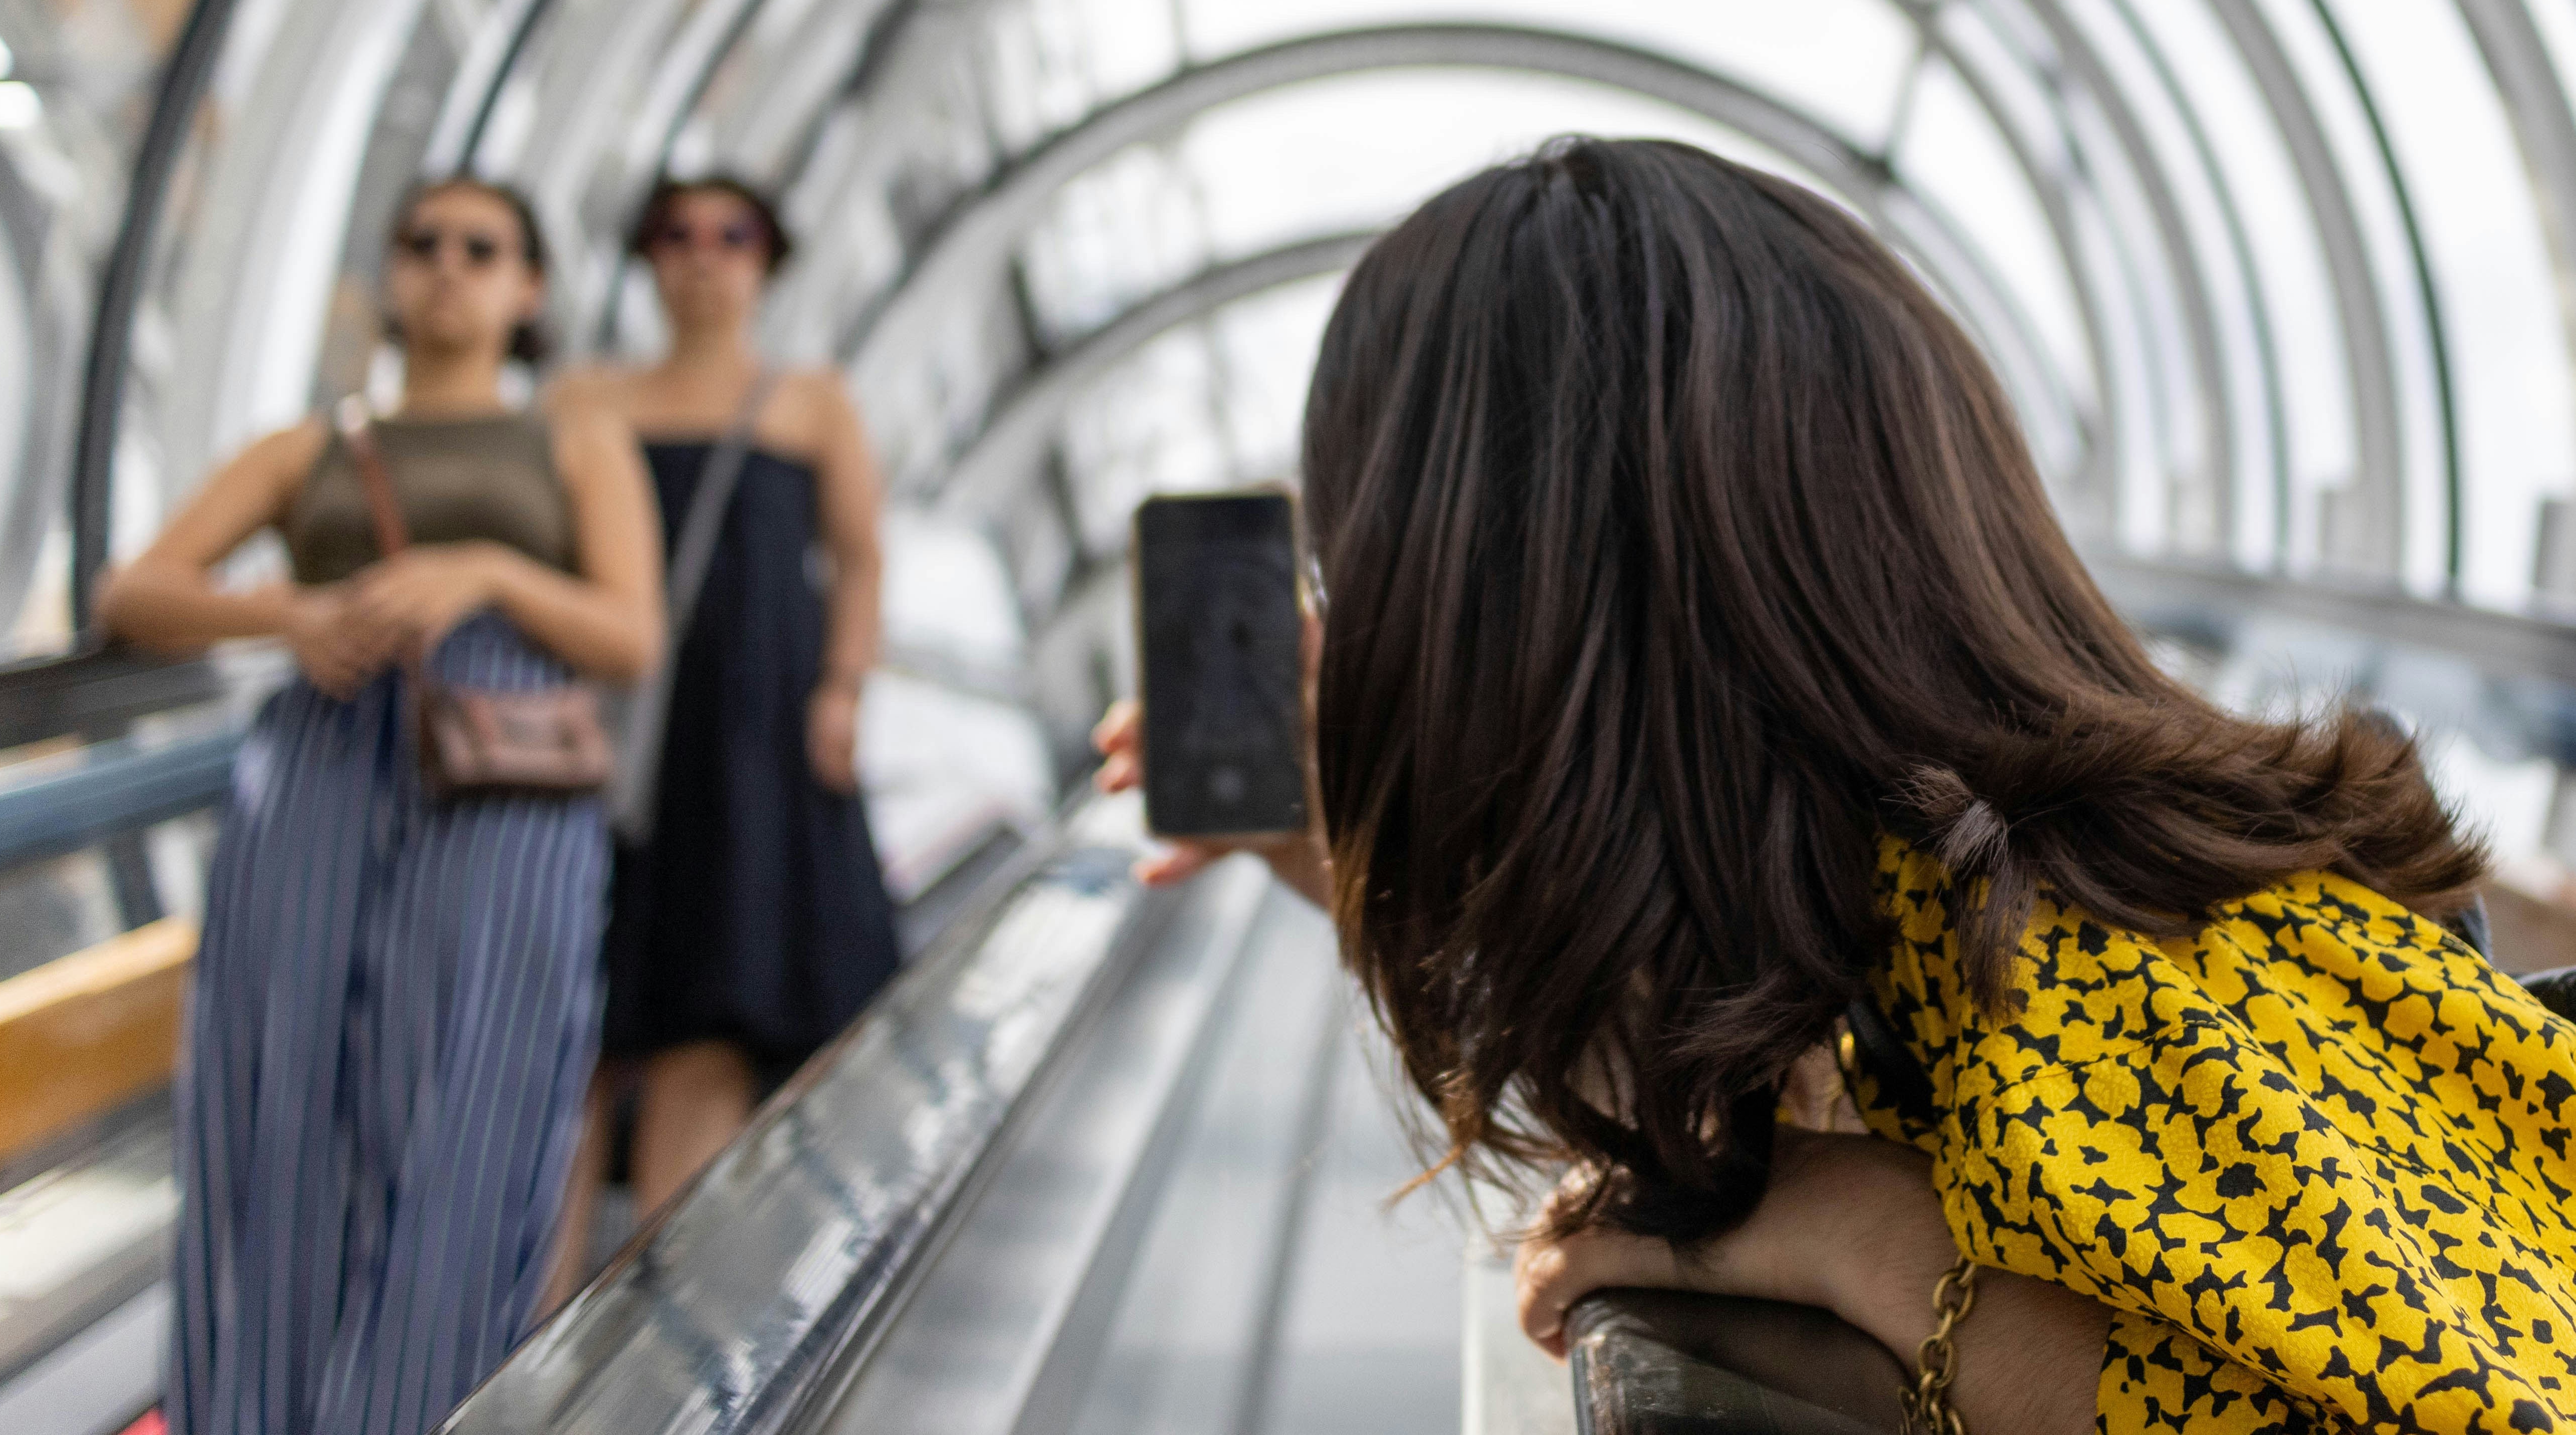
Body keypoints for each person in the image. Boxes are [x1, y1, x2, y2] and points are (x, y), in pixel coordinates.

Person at [1097, 137, 2576, 1433]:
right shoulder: (1951, 919)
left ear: (1529, 646)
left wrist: (1876, 1244)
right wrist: (1345, 851)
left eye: (1374, 595)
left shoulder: (2093, 975)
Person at [99, 178, 662, 1435]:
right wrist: (290, 611)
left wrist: (491, 570)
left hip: (504, 777)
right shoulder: (315, 444)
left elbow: (631, 632)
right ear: (389, 278)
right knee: (274, 1090)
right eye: (423, 245)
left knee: (476, 1093)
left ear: (529, 289)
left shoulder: (573, 438)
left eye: (484, 248)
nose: (449, 267)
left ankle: (415, 1413)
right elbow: (134, 592)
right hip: (320, 766)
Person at [544, 174, 898, 1286]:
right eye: (677, 235)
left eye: (731, 235)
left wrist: (840, 689)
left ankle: (648, 1330)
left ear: (766, 258)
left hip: (748, 735)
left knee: (709, 1013)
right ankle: (530, 1334)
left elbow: (860, 557)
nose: (704, 256)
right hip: (606, 724)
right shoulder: (588, 400)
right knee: (572, 1028)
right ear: (649, 258)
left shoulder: (811, 401)